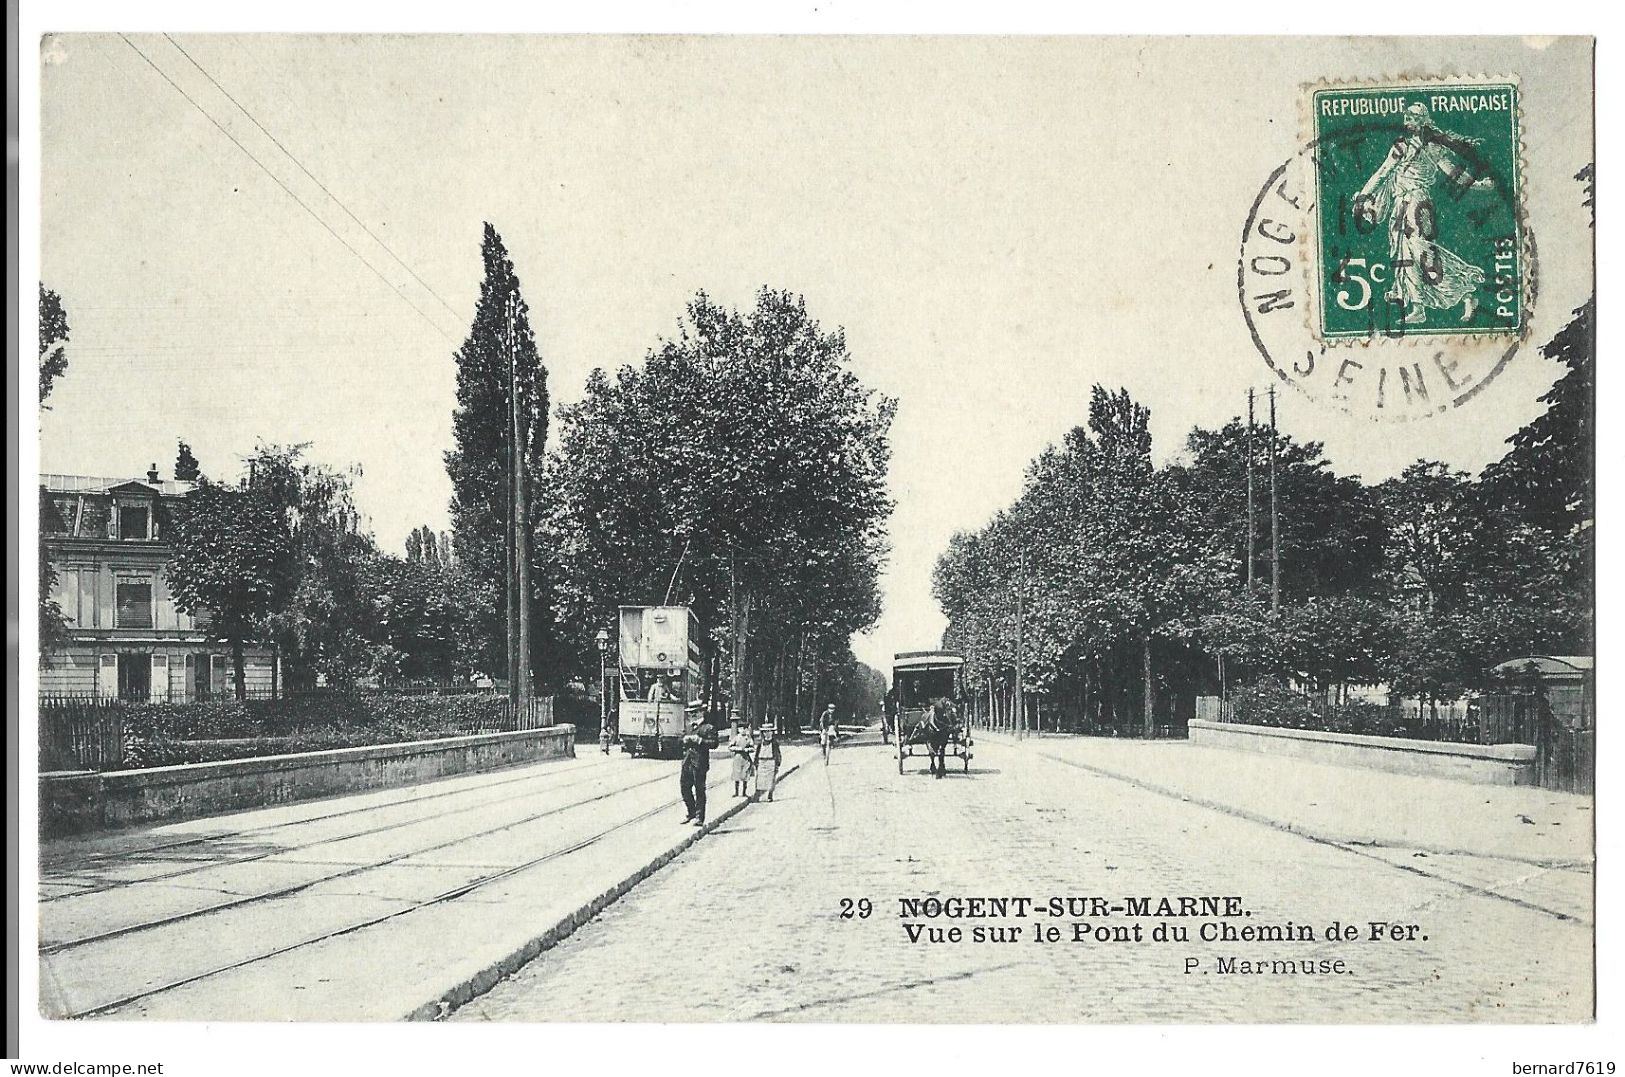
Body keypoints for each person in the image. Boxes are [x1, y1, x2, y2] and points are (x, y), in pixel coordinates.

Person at [1355, 102, 1495, 327]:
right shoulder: (1400, 147)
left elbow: (1454, 174)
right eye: (1406, 116)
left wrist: (1478, 185)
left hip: (1419, 204)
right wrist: (1363, 196)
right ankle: (1413, 300)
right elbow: (1382, 173)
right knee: (1403, 250)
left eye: (1412, 117)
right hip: (1400, 204)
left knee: (1422, 253)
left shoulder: (1433, 149)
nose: (1407, 120)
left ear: (1422, 121)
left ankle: (1461, 292)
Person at [679, 707, 718, 825]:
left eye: (694, 712)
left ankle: (699, 817)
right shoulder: (689, 727)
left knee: (699, 789)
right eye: (690, 713)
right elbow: (679, 740)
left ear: (701, 712)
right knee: (684, 787)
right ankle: (691, 812)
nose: (692, 715)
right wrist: (684, 740)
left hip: (700, 762)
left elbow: (714, 743)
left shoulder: (708, 728)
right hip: (687, 762)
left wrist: (700, 740)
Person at [727, 717, 756, 798]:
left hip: (746, 758)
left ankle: (744, 792)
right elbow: (730, 747)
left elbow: (753, 748)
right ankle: (736, 792)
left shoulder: (748, 738)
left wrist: (747, 749)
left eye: (744, 728)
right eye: (740, 728)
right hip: (738, 757)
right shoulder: (736, 738)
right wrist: (737, 749)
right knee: (737, 775)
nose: (742, 730)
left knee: (745, 775)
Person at [754, 721, 782, 801]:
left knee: (770, 779)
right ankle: (757, 795)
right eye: (765, 732)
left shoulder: (774, 743)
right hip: (761, 761)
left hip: (771, 761)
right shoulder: (760, 743)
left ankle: (770, 795)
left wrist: (778, 763)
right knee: (760, 779)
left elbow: (777, 753)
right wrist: (755, 762)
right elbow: (757, 753)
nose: (767, 733)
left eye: (769, 731)